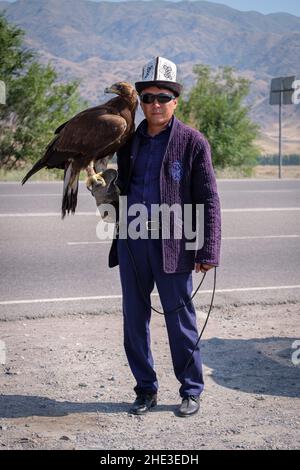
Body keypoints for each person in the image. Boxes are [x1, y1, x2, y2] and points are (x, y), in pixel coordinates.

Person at [108, 57, 221, 417]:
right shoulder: (128, 140)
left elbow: (209, 199)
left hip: (175, 242)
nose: (155, 104)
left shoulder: (191, 141)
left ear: (176, 100)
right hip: (132, 241)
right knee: (134, 318)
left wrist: (208, 248)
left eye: (163, 96)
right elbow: (118, 184)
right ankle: (145, 389)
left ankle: (191, 390)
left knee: (180, 318)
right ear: (139, 101)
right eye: (148, 97)